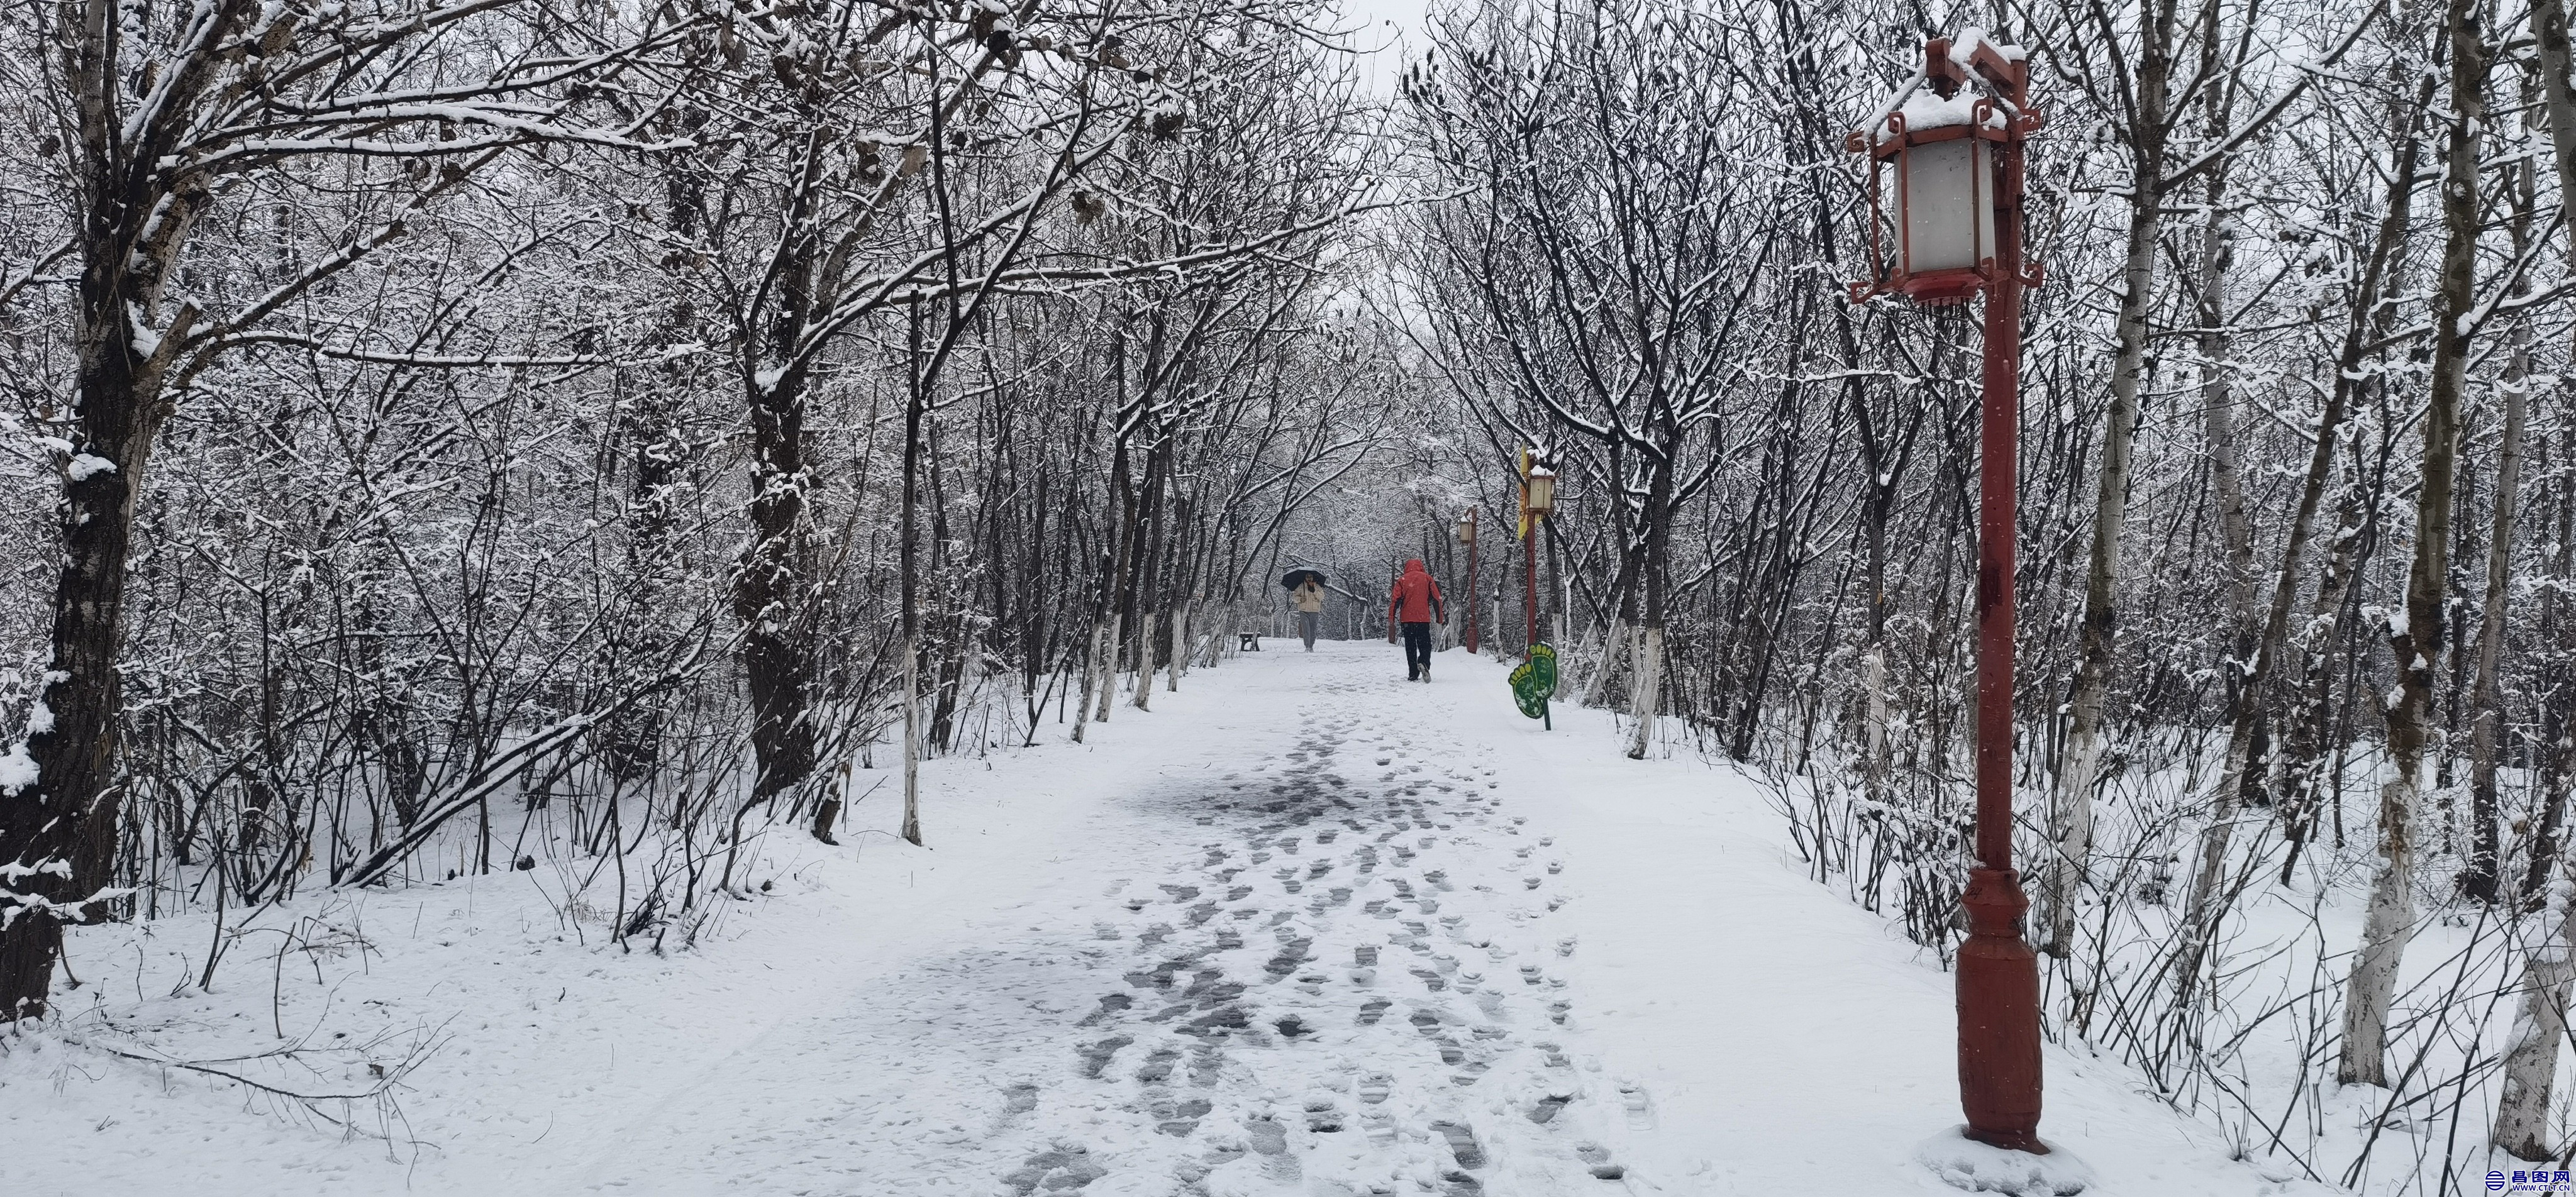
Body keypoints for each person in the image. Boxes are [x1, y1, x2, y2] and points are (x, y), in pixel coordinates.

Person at [1385, 559, 1445, 681]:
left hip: (1407, 620)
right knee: (1425, 645)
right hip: (1423, 619)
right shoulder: (1427, 579)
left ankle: (1413, 673)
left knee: (1410, 646)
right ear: (1421, 567)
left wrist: (1391, 617)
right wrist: (1439, 618)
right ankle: (1423, 662)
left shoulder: (1402, 580)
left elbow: (1395, 600)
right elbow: (1437, 598)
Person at [1292, 577, 1325, 651]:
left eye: (1311, 577)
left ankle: (1311, 646)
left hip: (1315, 611)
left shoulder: (1317, 587)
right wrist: (1300, 599)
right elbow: (1294, 597)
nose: (1309, 579)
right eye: (1308, 577)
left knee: (1313, 629)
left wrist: (1314, 590)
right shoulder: (1301, 586)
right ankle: (1307, 646)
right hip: (1303, 611)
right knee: (1306, 629)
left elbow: (1322, 597)